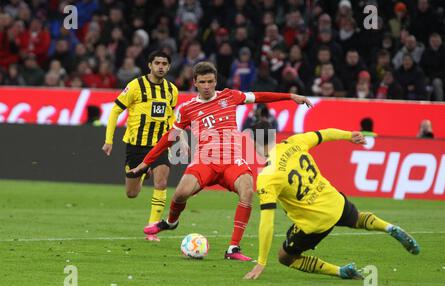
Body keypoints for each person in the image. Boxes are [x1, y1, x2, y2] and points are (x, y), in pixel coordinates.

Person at [130, 61, 312, 261]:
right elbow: (168, 138)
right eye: (202, 82)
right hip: (205, 160)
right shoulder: (187, 109)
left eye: (210, 81)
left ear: (215, 81)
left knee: (247, 191)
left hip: (232, 160)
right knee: (180, 194)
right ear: (195, 83)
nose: (207, 86)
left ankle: (233, 248)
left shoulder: (230, 96)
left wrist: (290, 96)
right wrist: (145, 163)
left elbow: (259, 96)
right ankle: (172, 222)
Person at [244, 123, 420, 280]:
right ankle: (390, 228)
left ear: (254, 143)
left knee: (285, 257)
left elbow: (267, 223)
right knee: (358, 219)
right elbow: (326, 133)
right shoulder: (295, 141)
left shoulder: (267, 176)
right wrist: (349, 136)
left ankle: (340, 271)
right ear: (274, 136)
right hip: (335, 201)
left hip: (314, 222)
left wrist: (261, 262)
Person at [102, 50, 179, 241]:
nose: (161, 67)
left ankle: (152, 227)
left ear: (169, 67)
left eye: (164, 64)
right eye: (157, 63)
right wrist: (108, 140)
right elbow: (115, 111)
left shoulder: (172, 90)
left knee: (161, 182)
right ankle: (143, 173)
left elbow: (172, 117)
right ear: (150, 65)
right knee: (132, 193)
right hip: (136, 145)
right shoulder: (136, 86)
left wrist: (178, 139)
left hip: (159, 145)